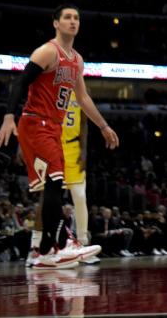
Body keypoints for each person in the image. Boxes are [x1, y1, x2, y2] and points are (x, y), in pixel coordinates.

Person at [0, 4, 116, 269]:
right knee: (56, 183)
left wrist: (103, 126)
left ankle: (44, 251)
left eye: (77, 17)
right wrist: (8, 117)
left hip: (53, 128)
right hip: (36, 123)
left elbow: (82, 98)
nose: (73, 21)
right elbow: (20, 83)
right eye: (67, 17)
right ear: (56, 23)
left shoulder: (77, 60)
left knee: (52, 186)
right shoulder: (48, 51)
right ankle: (63, 242)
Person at [60, 90, 99, 264]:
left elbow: (84, 123)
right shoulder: (53, 87)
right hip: (53, 147)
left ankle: (83, 243)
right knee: (50, 199)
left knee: (80, 197)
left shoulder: (82, 92)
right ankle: (48, 246)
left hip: (73, 148)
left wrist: (83, 152)